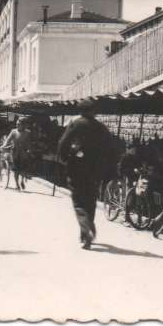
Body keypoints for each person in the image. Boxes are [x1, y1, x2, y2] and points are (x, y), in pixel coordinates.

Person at [58, 99, 115, 249]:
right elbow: (111, 147)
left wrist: (63, 157)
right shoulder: (101, 127)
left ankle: (86, 229)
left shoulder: (76, 124)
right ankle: (86, 233)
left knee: (78, 201)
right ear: (93, 111)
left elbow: (63, 143)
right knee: (91, 200)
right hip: (95, 171)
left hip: (76, 168)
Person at [3, 117, 32, 190]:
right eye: (17, 124)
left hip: (23, 153)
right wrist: (4, 145)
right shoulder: (13, 131)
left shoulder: (28, 133)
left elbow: (29, 143)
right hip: (14, 153)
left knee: (23, 170)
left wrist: (29, 150)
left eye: (19, 124)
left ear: (23, 125)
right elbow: (7, 140)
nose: (17, 125)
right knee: (16, 170)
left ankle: (22, 180)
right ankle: (17, 185)